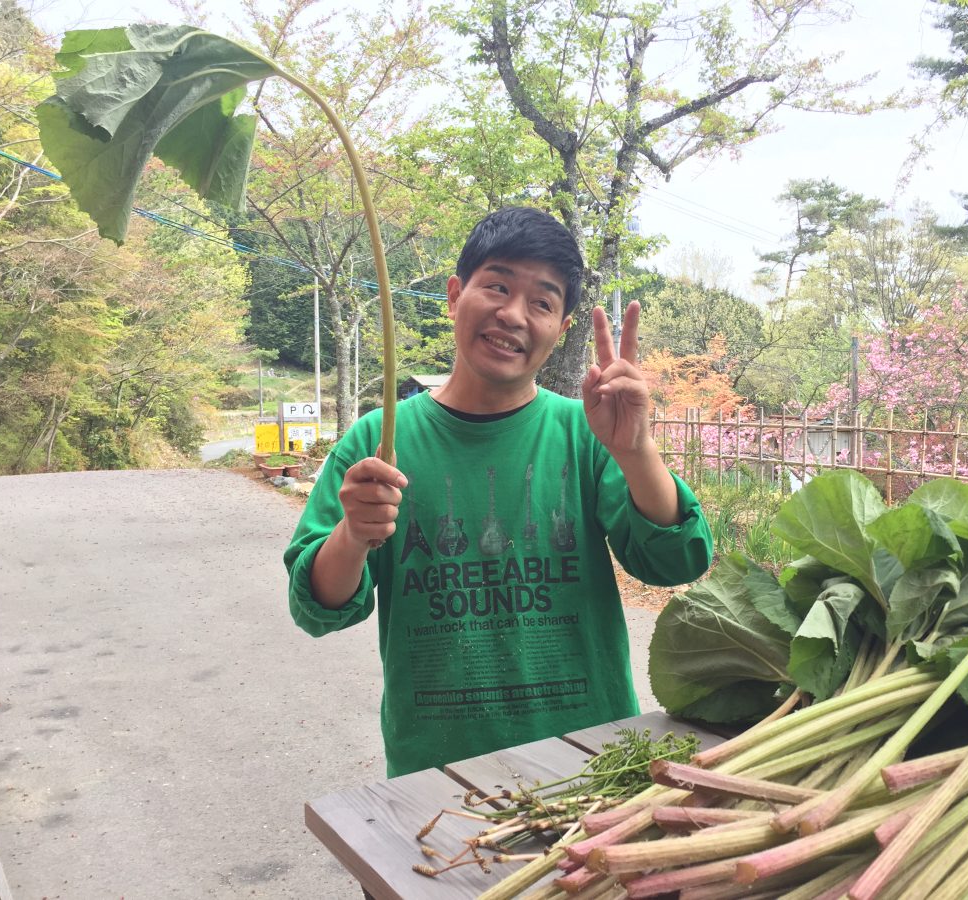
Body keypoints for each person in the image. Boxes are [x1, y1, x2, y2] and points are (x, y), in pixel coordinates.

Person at [284, 206, 713, 780]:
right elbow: (317, 608)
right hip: (435, 770)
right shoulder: (378, 439)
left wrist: (635, 452)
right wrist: (353, 533)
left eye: (542, 302)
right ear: (456, 294)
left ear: (562, 331)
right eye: (497, 286)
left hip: (590, 761)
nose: (513, 315)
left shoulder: (583, 435)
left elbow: (675, 560)